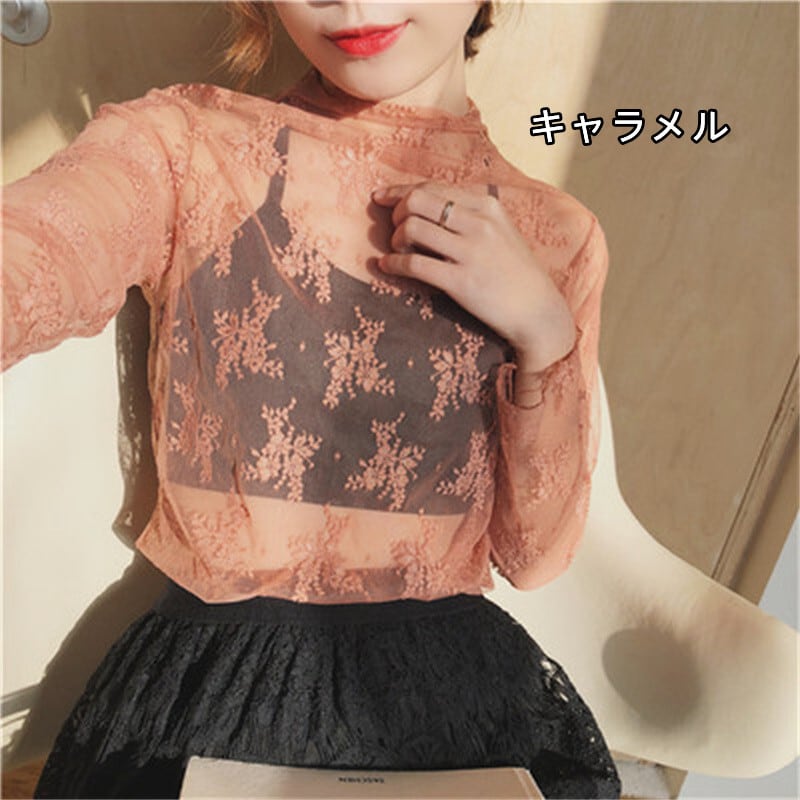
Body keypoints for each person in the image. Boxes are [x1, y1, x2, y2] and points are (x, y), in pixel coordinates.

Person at [2, 2, 621, 797]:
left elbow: (535, 555)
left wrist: (545, 336)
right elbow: (35, 254)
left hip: (452, 702)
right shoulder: (187, 147)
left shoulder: (557, 236)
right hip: (209, 693)